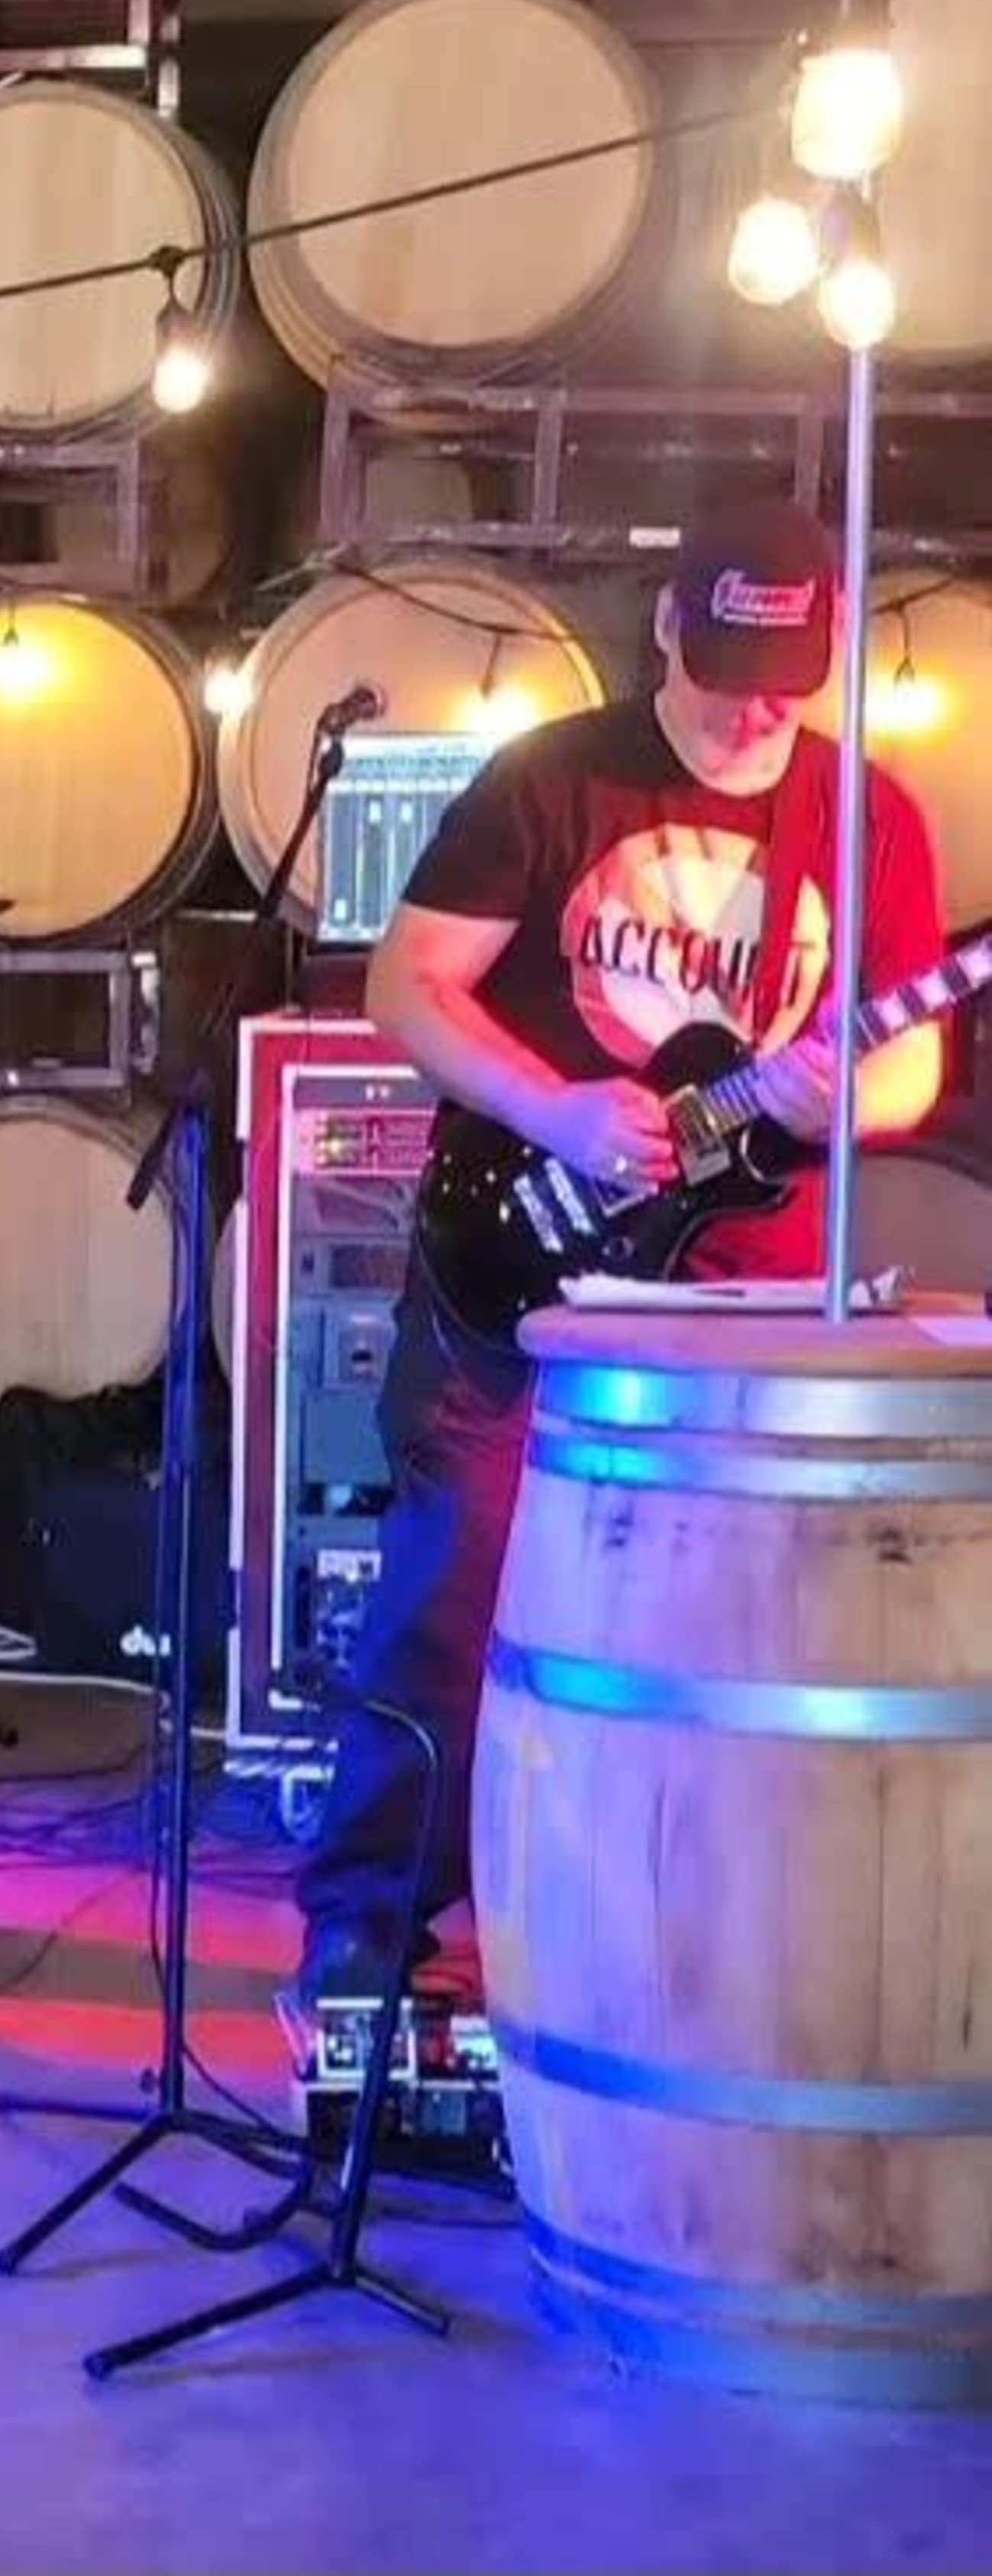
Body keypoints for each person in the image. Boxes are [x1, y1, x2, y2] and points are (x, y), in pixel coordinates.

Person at [292, 499, 945, 2010]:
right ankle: (372, 1935)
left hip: (745, 1280)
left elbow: (910, 1070)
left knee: (725, 1624)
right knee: (450, 1595)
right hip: (518, 1243)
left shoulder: (871, 819)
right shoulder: (555, 778)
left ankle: (677, 1952)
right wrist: (562, 1110)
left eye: (788, 678)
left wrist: (818, 1088)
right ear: (666, 626)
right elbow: (410, 986)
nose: (755, 709)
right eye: (728, 671)